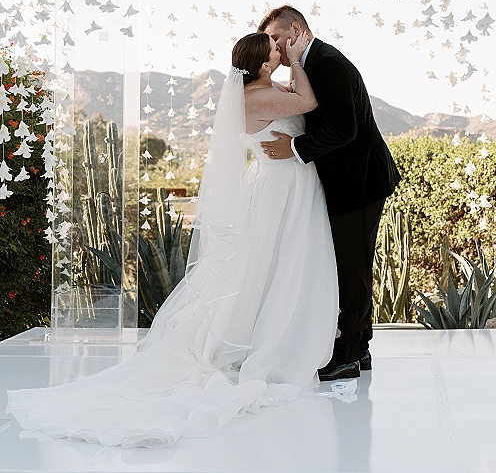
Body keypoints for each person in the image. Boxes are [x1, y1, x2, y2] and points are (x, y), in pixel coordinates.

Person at [6, 32, 339, 448]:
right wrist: (300, 60)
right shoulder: (258, 97)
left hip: (287, 182)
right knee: (280, 263)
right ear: (264, 63)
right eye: (275, 48)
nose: (280, 47)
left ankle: (274, 331)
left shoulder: (265, 88)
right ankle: (271, 342)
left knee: (278, 264)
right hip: (282, 187)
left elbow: (296, 102)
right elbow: (307, 104)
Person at [259, 6, 401, 381]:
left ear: (297, 31)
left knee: (351, 269)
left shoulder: (327, 63)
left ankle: (348, 357)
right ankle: (361, 349)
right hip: (351, 181)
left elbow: (344, 130)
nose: (271, 46)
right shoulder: (311, 64)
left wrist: (294, 148)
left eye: (275, 37)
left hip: (359, 181)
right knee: (354, 266)